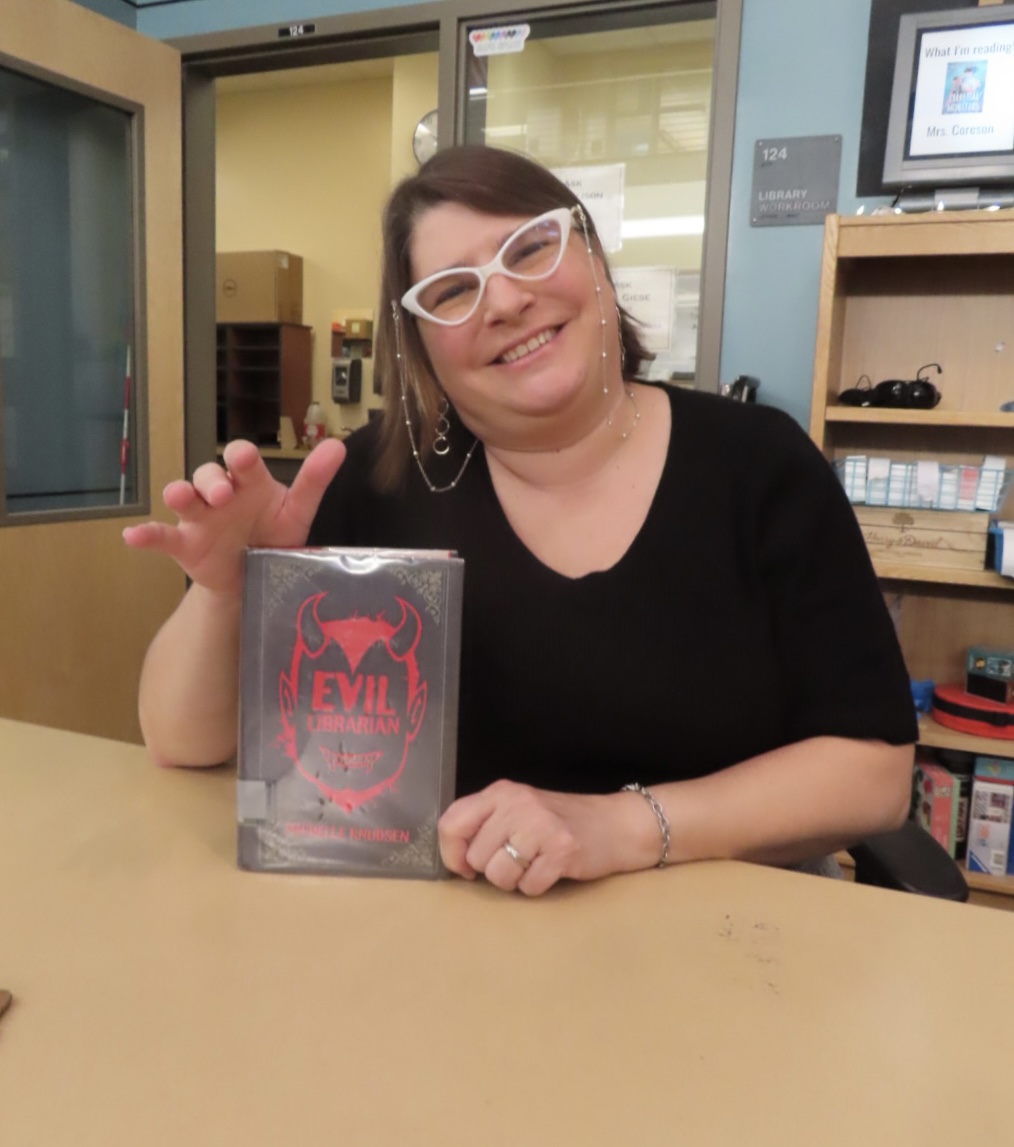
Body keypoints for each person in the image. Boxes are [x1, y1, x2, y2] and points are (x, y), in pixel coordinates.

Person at [124, 144, 916, 897]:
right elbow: (180, 742)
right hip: (455, 938)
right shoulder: (374, 478)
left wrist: (621, 827)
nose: (503, 298)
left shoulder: (760, 466)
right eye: (452, 291)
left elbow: (874, 771)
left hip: (734, 942)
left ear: (595, 262)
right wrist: (226, 592)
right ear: (421, 346)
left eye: (530, 248)